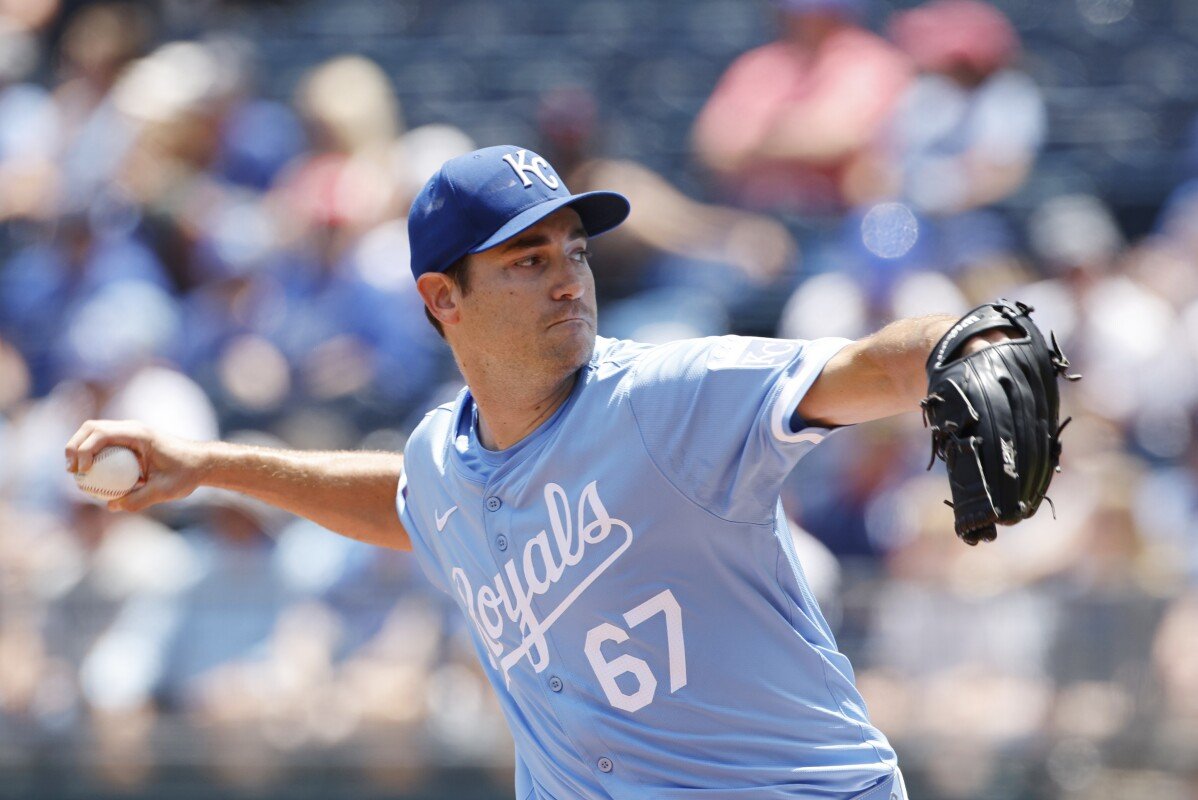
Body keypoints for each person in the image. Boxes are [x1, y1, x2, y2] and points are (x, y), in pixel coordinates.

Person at [67, 145, 1010, 799]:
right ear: (443, 300)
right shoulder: (445, 458)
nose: (568, 277)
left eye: (574, 249)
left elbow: (867, 367)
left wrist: (972, 343)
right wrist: (208, 466)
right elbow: (406, 502)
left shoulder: (666, 398)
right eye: (526, 258)